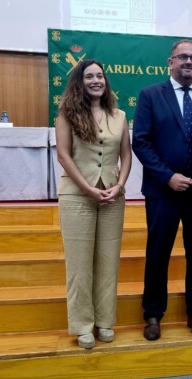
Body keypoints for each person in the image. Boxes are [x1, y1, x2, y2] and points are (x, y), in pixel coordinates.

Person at [132, 39, 192, 340]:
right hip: (163, 192)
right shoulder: (150, 95)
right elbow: (141, 142)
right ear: (170, 62)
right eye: (183, 57)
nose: (189, 62)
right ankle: (153, 315)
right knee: (158, 253)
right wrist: (167, 176)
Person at [56, 59, 132, 349]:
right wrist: (88, 188)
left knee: (108, 262)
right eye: (89, 76)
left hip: (112, 196)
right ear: (80, 81)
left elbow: (127, 155)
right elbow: (64, 156)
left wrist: (120, 185)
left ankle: (104, 321)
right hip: (77, 196)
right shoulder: (67, 113)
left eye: (100, 75)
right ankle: (82, 324)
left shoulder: (119, 115)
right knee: (79, 264)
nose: (96, 80)